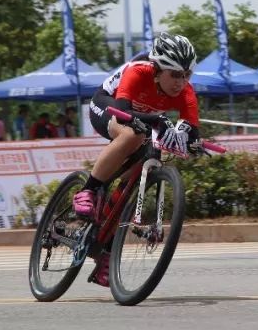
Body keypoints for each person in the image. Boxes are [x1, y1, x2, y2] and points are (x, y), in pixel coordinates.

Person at [76, 33, 200, 286]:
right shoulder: (138, 71)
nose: (181, 82)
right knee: (133, 134)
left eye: (186, 75)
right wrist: (157, 121)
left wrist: (190, 139)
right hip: (108, 105)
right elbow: (122, 113)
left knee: (139, 170)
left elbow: (191, 128)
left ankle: (106, 251)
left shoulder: (186, 91)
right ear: (157, 69)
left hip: (143, 118)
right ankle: (88, 190)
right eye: (174, 74)